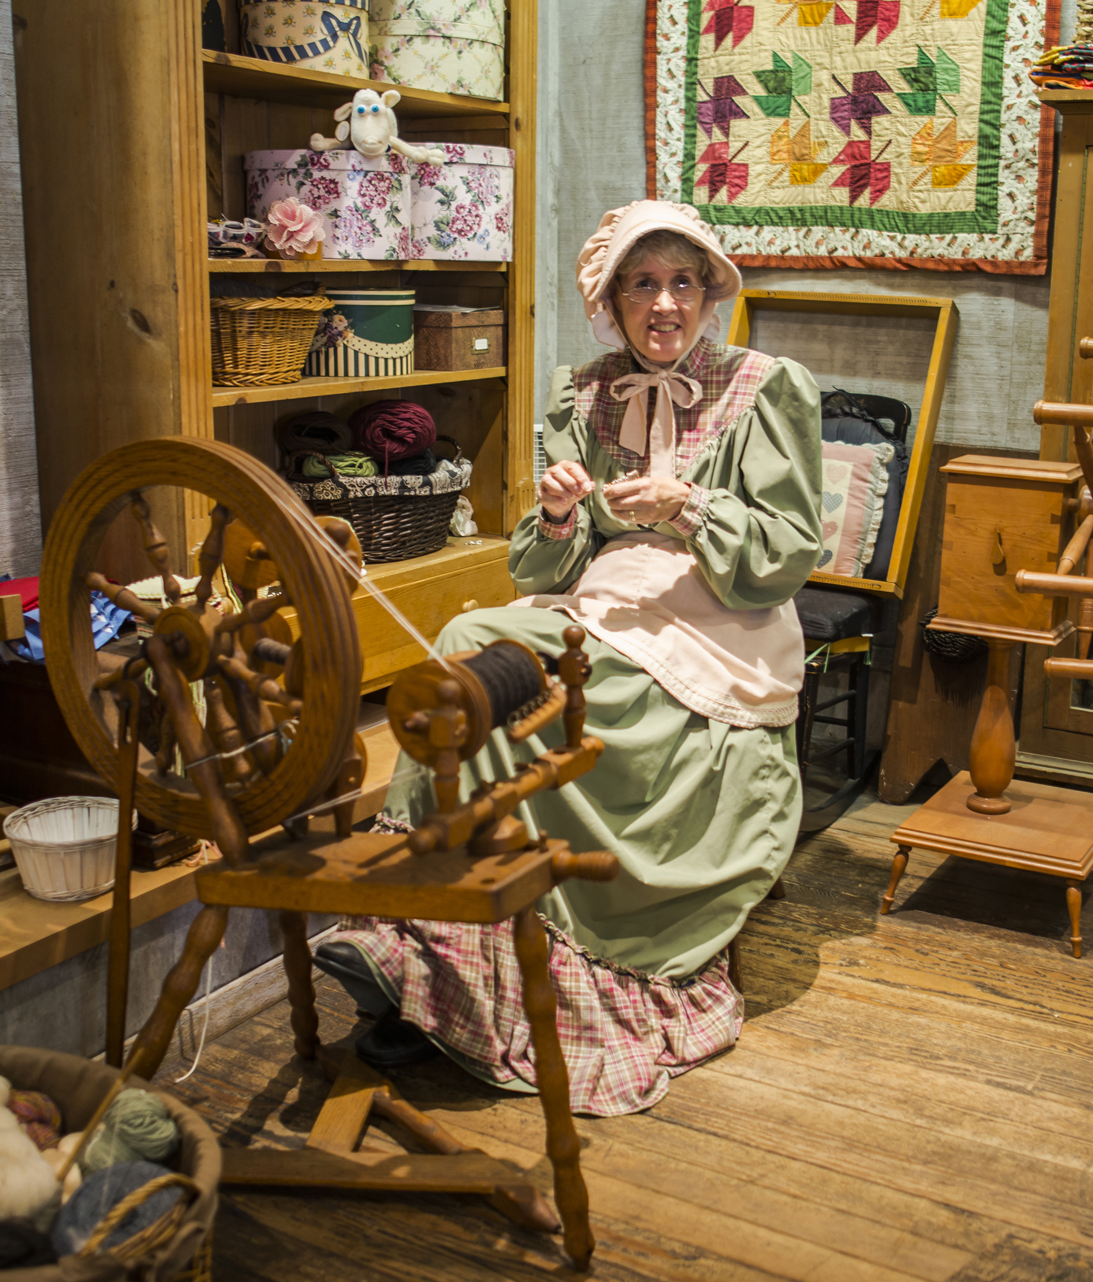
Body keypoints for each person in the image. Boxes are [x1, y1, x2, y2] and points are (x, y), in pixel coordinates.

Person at [318, 201, 823, 1116]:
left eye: (681, 282)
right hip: (606, 602)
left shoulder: (766, 385)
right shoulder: (581, 394)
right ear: (612, 300)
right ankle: (417, 944)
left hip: (724, 616)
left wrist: (688, 508)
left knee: (584, 684)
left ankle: (529, 952)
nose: (663, 304)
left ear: (711, 292)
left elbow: (788, 552)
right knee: (473, 644)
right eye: (642, 284)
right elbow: (540, 564)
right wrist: (556, 516)